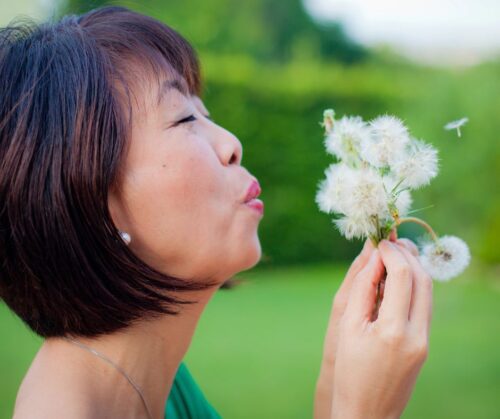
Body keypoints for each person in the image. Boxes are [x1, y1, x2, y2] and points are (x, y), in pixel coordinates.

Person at [0, 6, 432, 419]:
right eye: (185, 119)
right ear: (90, 200)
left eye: (204, 113)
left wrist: (336, 376)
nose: (231, 143)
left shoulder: (155, 380)